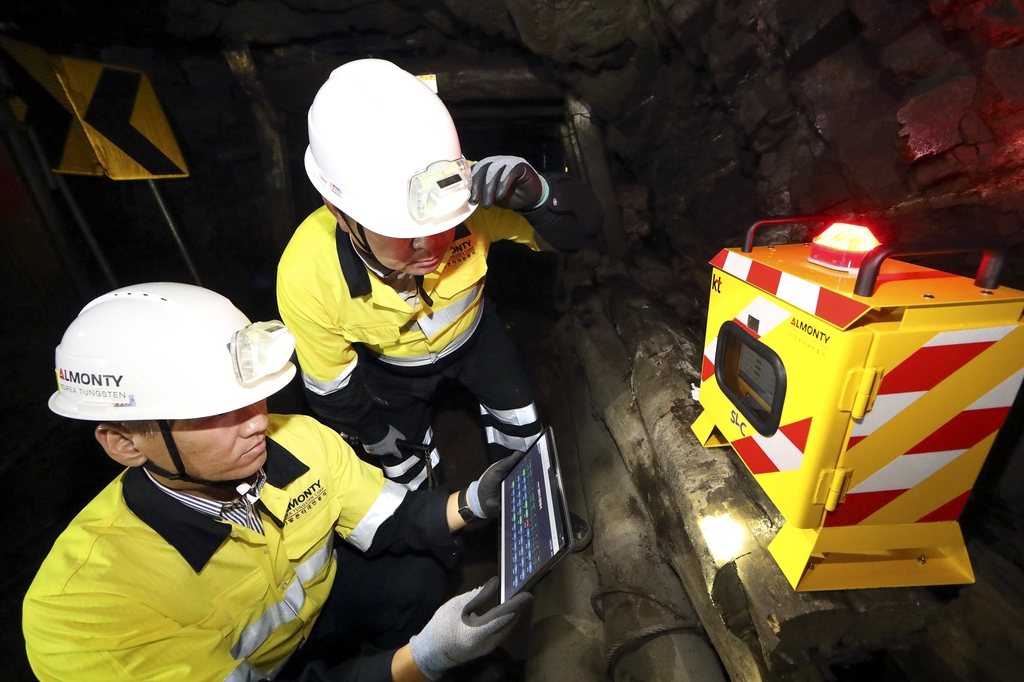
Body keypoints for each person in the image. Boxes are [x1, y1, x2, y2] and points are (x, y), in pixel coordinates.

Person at [22, 282, 532, 682]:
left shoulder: (300, 441)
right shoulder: (84, 613)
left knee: (416, 575)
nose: (257, 421)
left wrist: (474, 502)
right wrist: (424, 659)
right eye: (216, 412)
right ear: (125, 443)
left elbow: (393, 519)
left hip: (311, 618)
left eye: (254, 396)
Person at [277, 58, 601, 493]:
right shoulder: (306, 275)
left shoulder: (471, 188)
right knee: (405, 468)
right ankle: (442, 540)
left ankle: (526, 510)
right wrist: (372, 432)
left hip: (478, 340)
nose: (429, 245)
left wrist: (541, 196)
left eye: (440, 225)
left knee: (523, 429)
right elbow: (329, 384)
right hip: (390, 371)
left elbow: (581, 232)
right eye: (402, 233)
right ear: (339, 212)